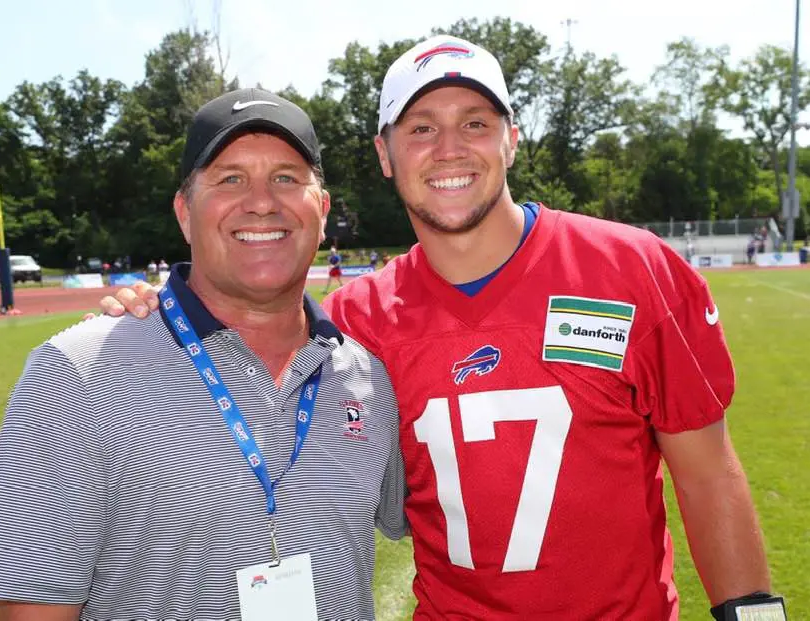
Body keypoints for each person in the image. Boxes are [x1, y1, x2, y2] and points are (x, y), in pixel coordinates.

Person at [97, 37, 787, 621]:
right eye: (420, 127)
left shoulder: (631, 270)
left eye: (475, 123)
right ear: (384, 152)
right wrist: (149, 310)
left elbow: (705, 474)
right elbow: (229, 343)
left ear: (511, 139)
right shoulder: (352, 320)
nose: (448, 148)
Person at [0, 88, 407, 621]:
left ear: (320, 209)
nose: (262, 201)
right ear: (185, 212)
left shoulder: (366, 377)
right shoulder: (79, 374)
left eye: (286, 178)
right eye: (230, 178)